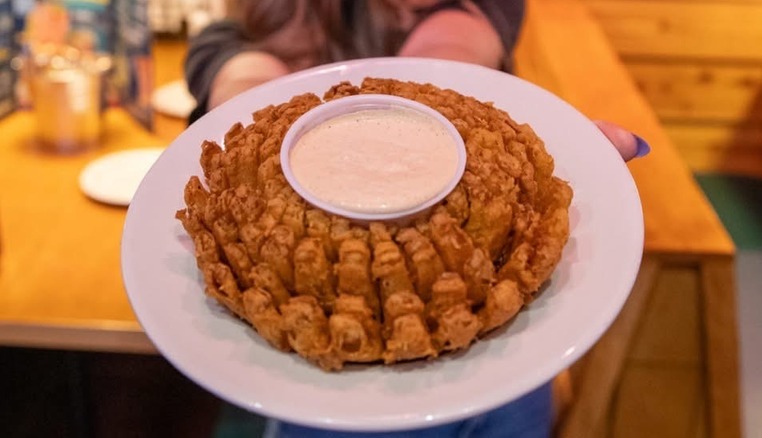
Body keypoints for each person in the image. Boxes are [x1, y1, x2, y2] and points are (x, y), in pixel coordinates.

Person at [183, 1, 649, 437]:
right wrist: (244, 100)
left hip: (506, 369)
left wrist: (438, 76)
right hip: (327, 403)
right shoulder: (252, 24)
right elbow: (236, 69)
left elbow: (448, 47)